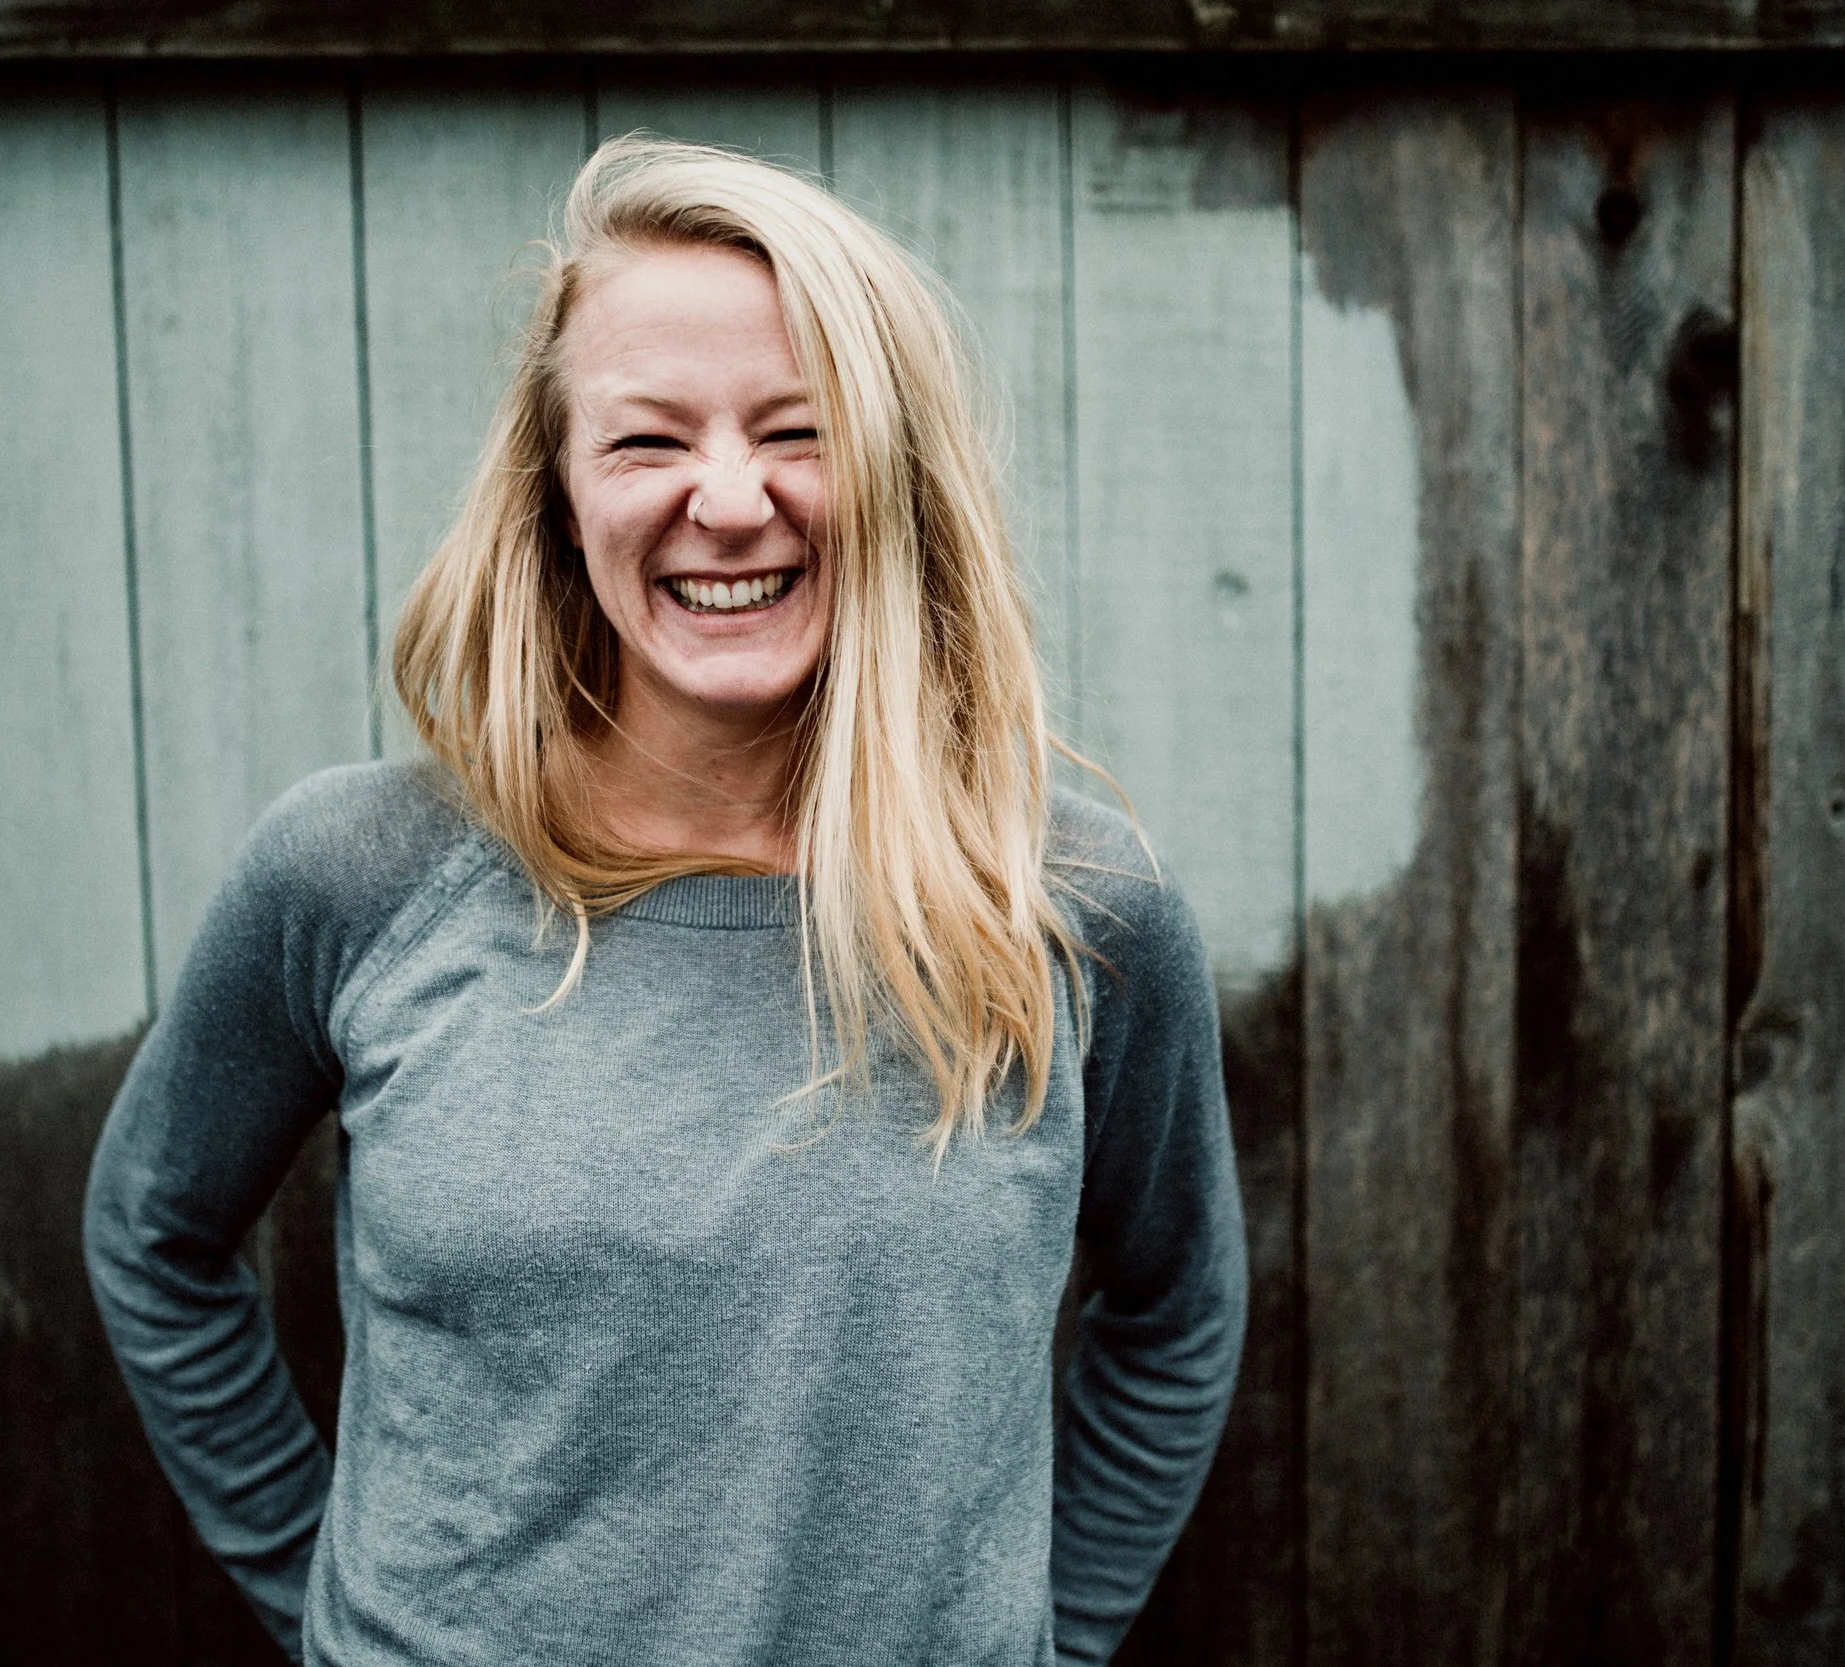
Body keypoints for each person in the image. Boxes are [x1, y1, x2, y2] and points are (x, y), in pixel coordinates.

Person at [84, 135, 1245, 1667]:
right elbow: (153, 1233)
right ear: (560, 497)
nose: (732, 499)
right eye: (647, 441)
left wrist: (1049, 1637)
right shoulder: (357, 875)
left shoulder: (1071, 909)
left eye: (800, 431)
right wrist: (333, 1612)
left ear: (897, 476)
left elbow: (1175, 1313)